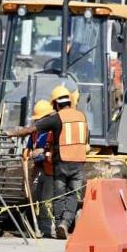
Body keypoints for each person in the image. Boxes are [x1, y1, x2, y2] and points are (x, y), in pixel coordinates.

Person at [7, 85, 89, 239]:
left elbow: (32, 129)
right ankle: (65, 223)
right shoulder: (82, 117)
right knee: (72, 196)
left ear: (57, 104)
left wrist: (13, 133)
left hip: (61, 163)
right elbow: (86, 141)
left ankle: (59, 225)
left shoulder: (57, 118)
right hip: (78, 163)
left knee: (58, 196)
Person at [24, 100, 56, 237]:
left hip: (50, 170)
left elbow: (56, 150)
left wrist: (42, 152)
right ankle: (37, 226)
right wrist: (28, 153)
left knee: (46, 201)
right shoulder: (34, 133)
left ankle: (47, 229)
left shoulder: (54, 131)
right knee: (35, 198)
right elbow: (28, 148)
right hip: (38, 169)